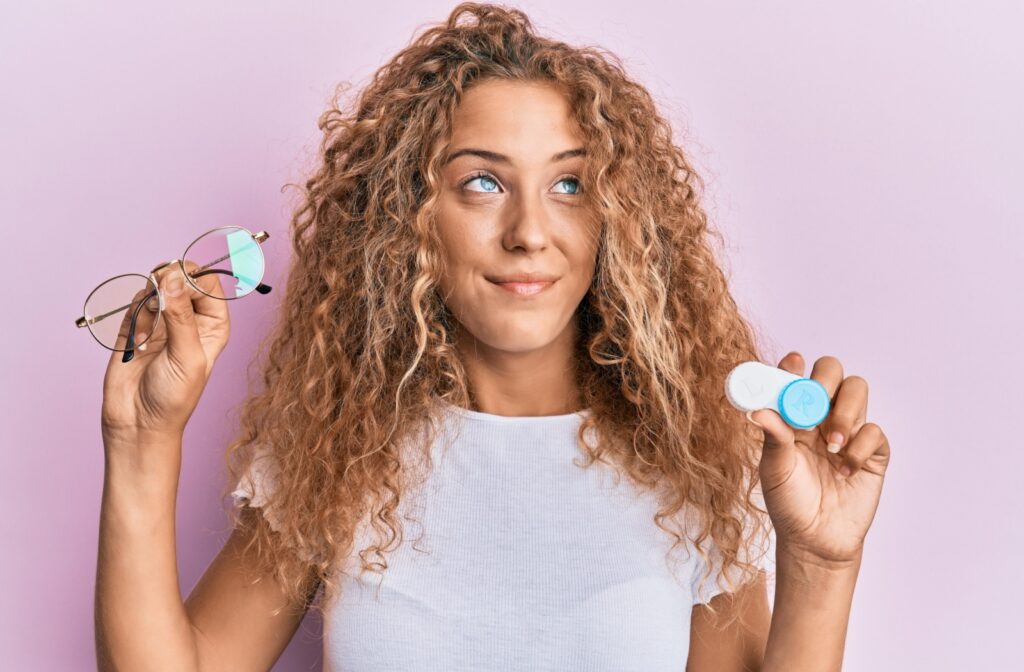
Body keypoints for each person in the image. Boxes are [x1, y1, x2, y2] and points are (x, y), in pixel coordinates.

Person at [94, 3, 891, 671]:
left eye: (570, 184)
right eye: (482, 182)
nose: (530, 232)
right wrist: (141, 438)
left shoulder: (688, 462)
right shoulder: (335, 454)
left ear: (618, 218)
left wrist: (823, 566)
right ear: (407, 218)